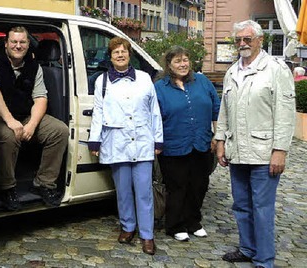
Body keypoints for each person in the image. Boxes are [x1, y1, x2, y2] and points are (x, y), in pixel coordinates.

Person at [215, 20, 296, 268]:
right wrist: (220, 140)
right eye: (238, 39)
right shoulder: (232, 71)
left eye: (247, 39)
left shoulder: (275, 69)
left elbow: (285, 112)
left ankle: (264, 260)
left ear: (260, 40)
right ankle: (248, 249)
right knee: (241, 205)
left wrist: (280, 150)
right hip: (237, 151)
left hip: (264, 153)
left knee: (262, 208)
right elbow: (224, 111)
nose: (242, 44)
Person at [0, 26, 69, 210]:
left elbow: (41, 98)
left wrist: (32, 125)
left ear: (29, 45)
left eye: (22, 42)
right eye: (14, 42)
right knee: (9, 136)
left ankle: (43, 183)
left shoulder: (34, 65)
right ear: (6, 43)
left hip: (25, 115)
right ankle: (7, 187)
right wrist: (11, 121)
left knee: (59, 131)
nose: (18, 46)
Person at [87, 36, 163, 255]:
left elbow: (154, 111)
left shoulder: (144, 79)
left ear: (130, 55)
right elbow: (98, 112)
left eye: (124, 51)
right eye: (116, 52)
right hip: (116, 141)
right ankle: (128, 227)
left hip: (142, 141)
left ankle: (147, 235)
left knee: (144, 191)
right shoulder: (102, 81)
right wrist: (95, 139)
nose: (120, 55)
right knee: (123, 191)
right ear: (110, 57)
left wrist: (158, 139)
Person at [154, 46, 220, 242]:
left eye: (185, 60)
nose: (183, 64)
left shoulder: (202, 81)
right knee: (177, 186)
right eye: (177, 61)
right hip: (173, 145)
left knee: (199, 185)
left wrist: (217, 135)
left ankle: (194, 221)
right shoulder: (160, 87)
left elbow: (216, 107)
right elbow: (154, 117)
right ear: (169, 65)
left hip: (201, 143)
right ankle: (175, 225)